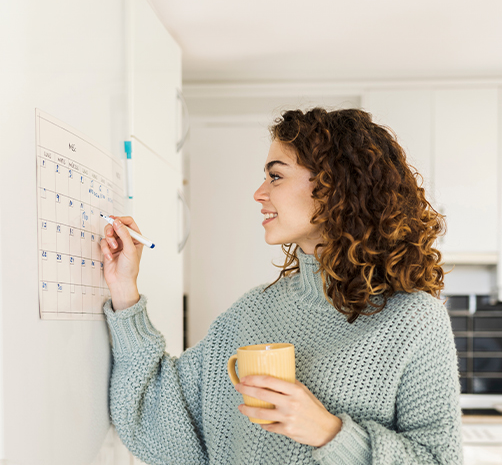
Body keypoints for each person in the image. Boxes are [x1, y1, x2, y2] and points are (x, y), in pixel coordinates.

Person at [101, 107, 463, 464]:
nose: (259, 193)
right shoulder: (253, 311)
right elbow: (155, 418)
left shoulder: (415, 320)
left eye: (276, 176)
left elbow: (439, 460)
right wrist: (124, 290)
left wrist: (330, 433)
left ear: (335, 185)